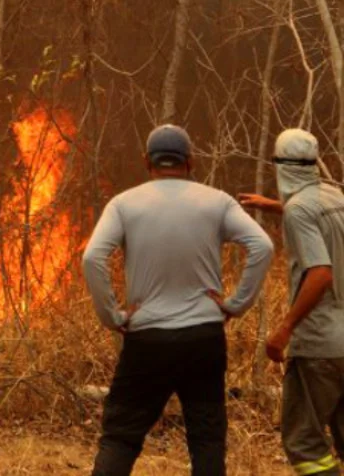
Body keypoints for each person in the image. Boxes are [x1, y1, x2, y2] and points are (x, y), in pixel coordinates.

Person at [82, 124, 274, 476]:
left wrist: (113, 315)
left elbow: (92, 258)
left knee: (121, 438)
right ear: (190, 161)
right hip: (203, 336)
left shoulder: (124, 204)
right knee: (207, 440)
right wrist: (235, 304)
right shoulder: (217, 201)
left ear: (147, 161)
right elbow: (262, 245)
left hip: (146, 338)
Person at [239, 128, 344, 476]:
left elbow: (320, 274)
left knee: (304, 442)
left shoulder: (300, 211)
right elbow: (313, 216)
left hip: (320, 347)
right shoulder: (334, 196)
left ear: (280, 166)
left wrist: (284, 330)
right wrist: (272, 206)